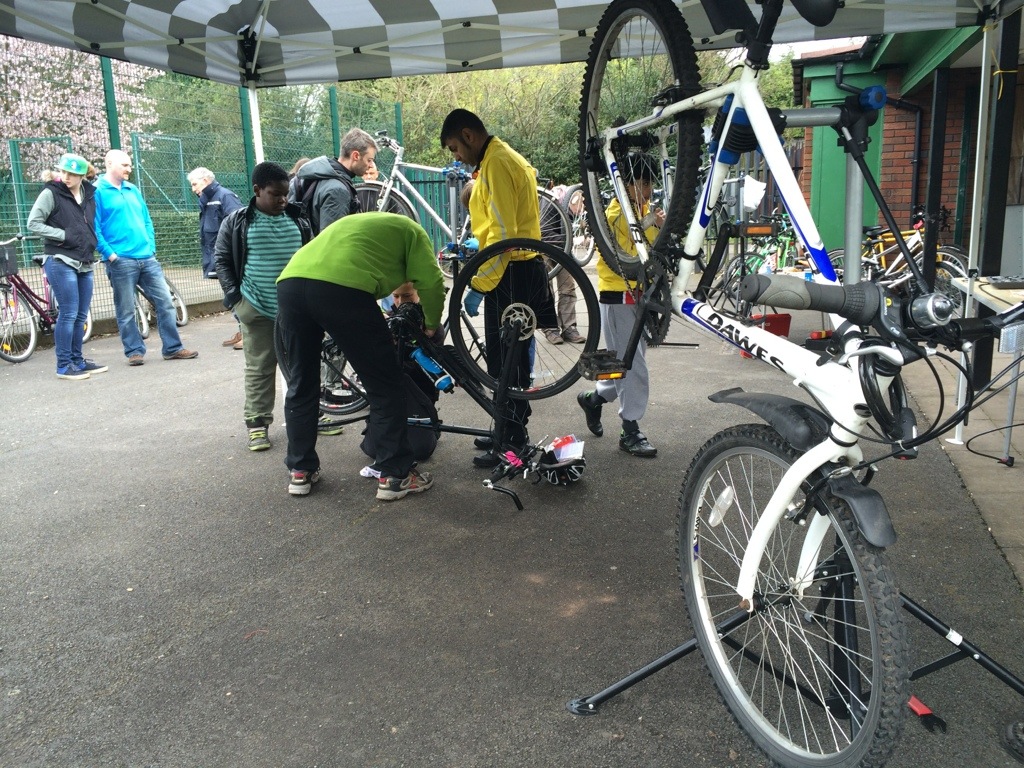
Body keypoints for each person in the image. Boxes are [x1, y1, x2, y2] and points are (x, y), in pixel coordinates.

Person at [276, 212, 445, 500]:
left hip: (290, 283)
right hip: (343, 288)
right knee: (385, 382)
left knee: (302, 382)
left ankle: (300, 470)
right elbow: (430, 281)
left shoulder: (363, 227)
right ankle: (395, 475)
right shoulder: (414, 232)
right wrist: (430, 324)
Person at [440, 108, 554, 467]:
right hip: (509, 269)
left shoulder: (498, 162)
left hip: (513, 274)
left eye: (455, 148)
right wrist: (477, 255)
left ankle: (514, 442)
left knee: (510, 365)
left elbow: (505, 236)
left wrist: (478, 284)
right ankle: (505, 428)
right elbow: (495, 226)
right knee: (500, 362)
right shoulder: (494, 160)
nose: (456, 157)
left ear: (468, 135)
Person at [213, 161, 320, 453]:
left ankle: (315, 416)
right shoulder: (237, 221)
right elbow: (221, 259)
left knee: (304, 365)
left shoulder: (299, 218)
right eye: (276, 194)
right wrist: (235, 298)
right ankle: (257, 425)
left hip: (297, 310)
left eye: (286, 193)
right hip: (257, 308)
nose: (283, 200)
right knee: (260, 368)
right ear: (257, 190)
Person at [577, 153, 661, 458]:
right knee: (632, 367)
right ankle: (630, 429)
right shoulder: (613, 214)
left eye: (649, 182)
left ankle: (595, 399)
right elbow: (628, 251)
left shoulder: (644, 209)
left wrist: (655, 223)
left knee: (624, 365)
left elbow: (651, 248)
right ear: (622, 184)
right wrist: (652, 222)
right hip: (618, 298)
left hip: (638, 298)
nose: (647, 189)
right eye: (640, 182)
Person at [93, 149, 198, 365]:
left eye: (130, 165)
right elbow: (93, 229)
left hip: (147, 258)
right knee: (126, 309)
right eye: (125, 165)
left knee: (166, 302)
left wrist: (151, 246)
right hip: (120, 261)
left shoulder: (133, 190)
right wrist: (110, 255)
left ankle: (172, 348)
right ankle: (134, 351)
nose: (129, 169)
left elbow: (146, 219)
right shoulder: (97, 192)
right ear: (110, 163)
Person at [26, 153, 106, 380]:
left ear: (82, 175)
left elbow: (92, 223)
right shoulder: (51, 192)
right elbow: (33, 223)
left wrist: (93, 242)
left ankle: (78, 361)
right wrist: (63, 235)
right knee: (69, 312)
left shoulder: (90, 194)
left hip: (84, 260)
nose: (66, 177)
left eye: (72, 173)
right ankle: (63, 365)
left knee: (80, 315)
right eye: (63, 172)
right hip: (60, 259)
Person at [291, 128, 377, 235]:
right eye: (369, 160)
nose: (370, 165)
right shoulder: (337, 190)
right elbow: (332, 240)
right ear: (355, 156)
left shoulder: (319, 173)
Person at [187, 167, 242, 279]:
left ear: (205, 181)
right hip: (215, 265)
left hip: (227, 264)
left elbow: (239, 226)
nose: (193, 189)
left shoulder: (225, 196)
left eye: (194, 184)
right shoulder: (205, 200)